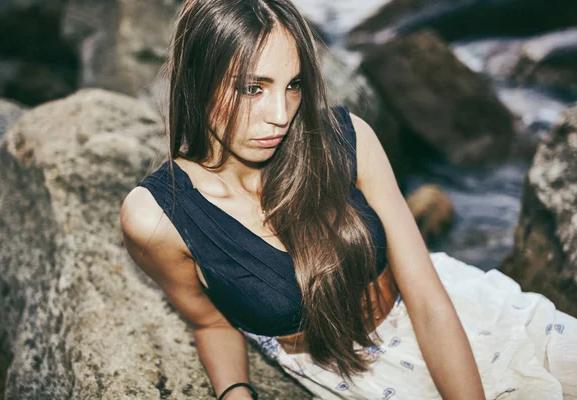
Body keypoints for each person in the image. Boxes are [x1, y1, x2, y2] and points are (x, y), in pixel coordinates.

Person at [119, 0, 577, 399]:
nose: (281, 115)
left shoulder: (345, 137)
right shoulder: (159, 217)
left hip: (459, 315)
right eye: (254, 88)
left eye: (292, 85)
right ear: (197, 80)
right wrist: (237, 392)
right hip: (364, 380)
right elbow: (210, 322)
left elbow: (426, 294)